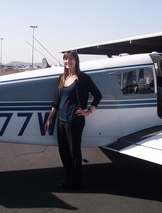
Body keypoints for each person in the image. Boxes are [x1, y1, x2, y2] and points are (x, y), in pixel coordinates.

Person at [44, 51, 102, 190]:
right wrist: (49, 119)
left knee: (74, 152)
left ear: (76, 61)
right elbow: (56, 102)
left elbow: (97, 95)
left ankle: (76, 182)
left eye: (70, 59)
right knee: (63, 151)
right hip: (61, 120)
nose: (67, 61)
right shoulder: (62, 78)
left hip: (74, 121)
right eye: (65, 59)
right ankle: (70, 178)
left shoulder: (82, 78)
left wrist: (88, 112)